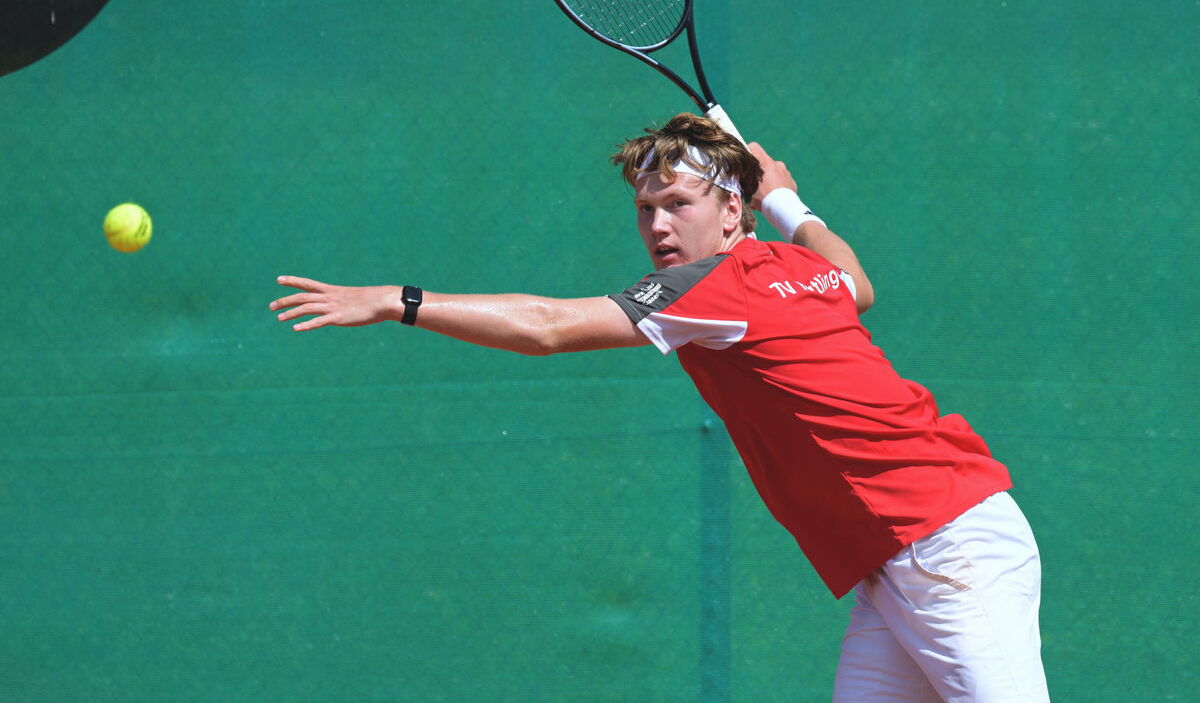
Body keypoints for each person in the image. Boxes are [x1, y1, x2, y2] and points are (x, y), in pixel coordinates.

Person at [270, 113, 1049, 702]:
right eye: (645, 208)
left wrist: (399, 300)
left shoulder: (708, 288)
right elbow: (858, 282)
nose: (659, 225)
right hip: (904, 557)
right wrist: (788, 201)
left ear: (731, 210)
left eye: (677, 203)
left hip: (947, 548)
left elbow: (548, 328)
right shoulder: (797, 269)